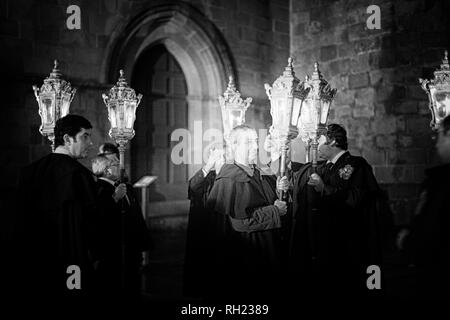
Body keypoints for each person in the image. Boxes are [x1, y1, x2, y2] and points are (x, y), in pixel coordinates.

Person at [278, 123, 382, 298]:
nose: (314, 146)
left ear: (332, 142)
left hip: (349, 241)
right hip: (328, 242)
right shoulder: (325, 166)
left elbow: (357, 199)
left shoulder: (356, 165)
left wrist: (324, 188)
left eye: (318, 141)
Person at [10, 114, 100, 303]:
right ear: (68, 139)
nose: (90, 143)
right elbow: (90, 225)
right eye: (85, 136)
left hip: (34, 263)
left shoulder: (29, 172)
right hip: (72, 265)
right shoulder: (79, 175)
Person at [206, 124, 287, 299]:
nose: (256, 147)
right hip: (248, 252)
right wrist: (275, 211)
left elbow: (266, 199)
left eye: (256, 141)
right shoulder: (229, 179)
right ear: (234, 145)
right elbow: (241, 222)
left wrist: (279, 188)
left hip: (267, 247)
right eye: (248, 142)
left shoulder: (256, 171)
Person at [398, 115, 450, 299]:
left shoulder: (440, 182)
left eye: (440, 136)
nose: (436, 144)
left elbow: (430, 227)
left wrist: (409, 239)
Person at [92, 154, 150, 301]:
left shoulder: (121, 186)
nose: (121, 166)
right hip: (114, 250)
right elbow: (99, 218)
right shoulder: (100, 189)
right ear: (107, 171)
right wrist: (115, 199)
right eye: (116, 164)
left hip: (130, 247)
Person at [183, 147, 224, 298]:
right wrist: (209, 164)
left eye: (225, 158)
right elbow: (193, 187)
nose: (223, 162)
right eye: (220, 158)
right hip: (207, 231)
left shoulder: (233, 177)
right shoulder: (208, 177)